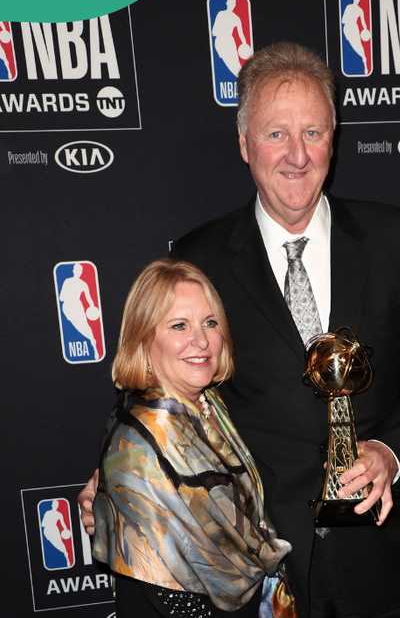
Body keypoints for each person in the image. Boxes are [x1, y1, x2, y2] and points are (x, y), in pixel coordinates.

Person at [81, 42, 400, 618]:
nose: (297, 156)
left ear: (335, 138)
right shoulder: (201, 257)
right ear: (244, 144)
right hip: (256, 567)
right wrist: (116, 470)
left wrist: (390, 451)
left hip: (381, 559)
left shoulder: (398, 240)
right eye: (276, 134)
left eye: (314, 132)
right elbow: (160, 378)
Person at [93, 259, 294, 617]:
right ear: (144, 338)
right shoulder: (141, 445)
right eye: (179, 325)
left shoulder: (210, 407)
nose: (200, 340)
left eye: (210, 323)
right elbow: (168, 593)